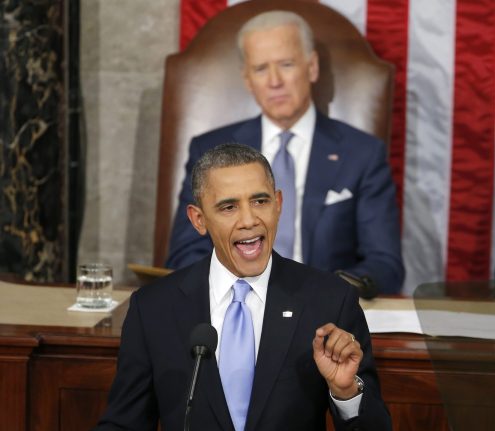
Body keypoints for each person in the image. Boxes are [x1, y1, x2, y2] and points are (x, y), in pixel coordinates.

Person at [55, 143, 392, 431]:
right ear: (198, 219)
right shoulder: (154, 307)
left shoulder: (329, 299)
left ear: (278, 204)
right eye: (228, 207)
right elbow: (128, 425)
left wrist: (346, 391)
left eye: (259, 201)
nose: (248, 220)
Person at [165, 10, 404, 295]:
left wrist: (325, 295)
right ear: (247, 79)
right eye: (261, 69)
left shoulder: (361, 153)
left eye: (286, 64)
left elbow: (384, 263)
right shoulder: (208, 150)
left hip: (322, 314)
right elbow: (185, 253)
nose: (274, 81)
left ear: (312, 67)